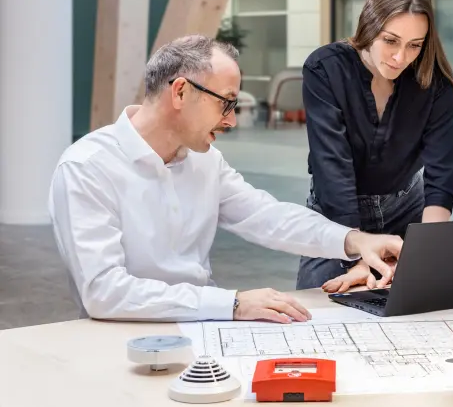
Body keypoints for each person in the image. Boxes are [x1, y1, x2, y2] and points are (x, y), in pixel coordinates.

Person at [48, 35, 403, 324]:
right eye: (226, 104)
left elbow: (269, 217)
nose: (231, 122)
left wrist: (357, 241)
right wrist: (232, 305)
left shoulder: (205, 161)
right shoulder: (87, 168)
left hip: (206, 328)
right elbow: (104, 292)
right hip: (120, 341)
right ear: (181, 92)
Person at [295, 0, 453, 292]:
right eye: (390, 40)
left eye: (415, 45)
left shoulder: (434, 84)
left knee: (420, 314)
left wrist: (426, 253)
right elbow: (333, 169)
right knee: (320, 310)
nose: (401, 57)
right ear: (369, 26)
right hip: (334, 217)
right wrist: (359, 255)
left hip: (407, 210)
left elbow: (442, 176)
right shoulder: (324, 69)